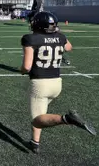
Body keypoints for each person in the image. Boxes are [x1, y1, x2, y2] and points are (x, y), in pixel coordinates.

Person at [21, 11, 96, 154]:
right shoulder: (60, 37)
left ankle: (67, 119)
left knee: (37, 120)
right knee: (41, 113)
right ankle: (34, 143)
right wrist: (56, 32)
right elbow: (69, 47)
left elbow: (26, 67)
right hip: (56, 84)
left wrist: (22, 71)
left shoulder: (30, 39)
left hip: (40, 84)